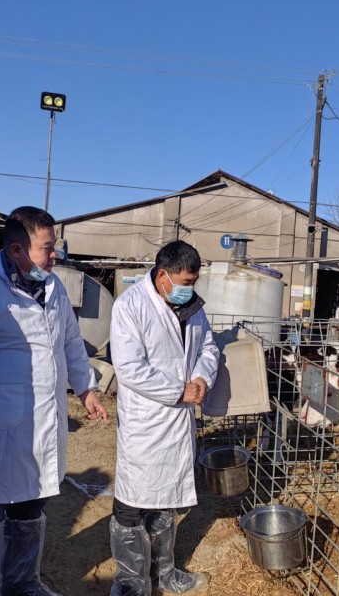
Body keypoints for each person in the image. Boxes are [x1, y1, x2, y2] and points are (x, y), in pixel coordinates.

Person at [0, 206, 108, 596]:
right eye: (47, 248)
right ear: (17, 250)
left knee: (30, 506)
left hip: (43, 422)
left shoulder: (54, 288)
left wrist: (86, 389)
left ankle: (22, 584)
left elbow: (71, 343)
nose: (56, 255)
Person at [109, 240, 220, 596]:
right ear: (162, 276)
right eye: (185, 282)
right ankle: (130, 583)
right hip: (146, 422)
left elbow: (209, 348)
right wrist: (177, 390)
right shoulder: (131, 306)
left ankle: (164, 574)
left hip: (179, 422)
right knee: (132, 504)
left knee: (166, 501)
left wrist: (202, 378)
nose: (190, 289)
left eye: (194, 281)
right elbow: (129, 368)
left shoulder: (193, 309)